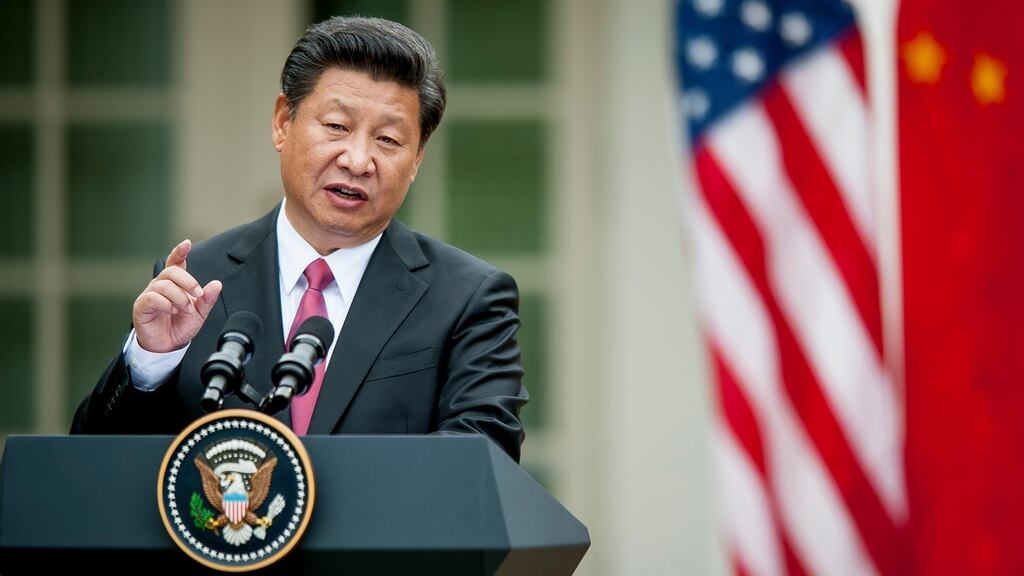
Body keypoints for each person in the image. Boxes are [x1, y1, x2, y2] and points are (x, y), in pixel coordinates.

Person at [70, 16, 528, 462]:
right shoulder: (196, 282)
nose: (358, 159)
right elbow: (92, 467)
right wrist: (149, 362)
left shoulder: (467, 298)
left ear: (415, 161)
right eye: (336, 127)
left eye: (388, 139)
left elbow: (483, 462)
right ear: (283, 123)